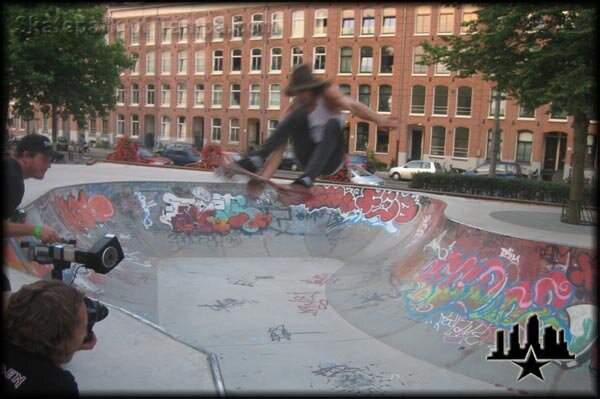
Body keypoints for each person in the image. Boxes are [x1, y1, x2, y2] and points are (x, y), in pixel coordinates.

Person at [232, 63, 398, 190]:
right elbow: (278, 151)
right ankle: (255, 159)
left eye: (304, 92)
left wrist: (378, 119)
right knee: (293, 118)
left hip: (332, 160)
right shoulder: (294, 110)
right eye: (298, 93)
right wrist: (263, 180)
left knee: (332, 124)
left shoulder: (328, 97)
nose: (301, 97)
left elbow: (353, 105)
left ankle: (307, 179)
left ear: (312, 89)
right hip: (308, 159)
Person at [2, 279, 96, 395]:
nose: (86, 334)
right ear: (62, 340)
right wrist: (64, 351)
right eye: (84, 328)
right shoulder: (57, 385)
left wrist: (64, 346)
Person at [3, 133, 61, 310]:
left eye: (51, 160)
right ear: (26, 156)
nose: (49, 165)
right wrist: (35, 230)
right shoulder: (12, 179)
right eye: (44, 159)